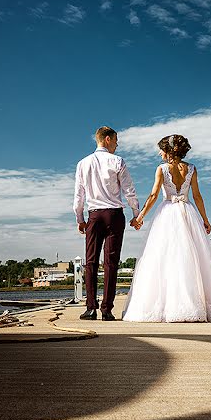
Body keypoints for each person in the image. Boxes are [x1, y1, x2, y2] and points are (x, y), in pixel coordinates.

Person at [122, 134, 211, 322]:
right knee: (193, 258)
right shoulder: (191, 169)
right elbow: (197, 196)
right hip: (188, 212)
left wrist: (140, 217)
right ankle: (196, 306)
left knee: (166, 258)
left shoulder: (162, 169)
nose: (159, 153)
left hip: (168, 212)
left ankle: (170, 306)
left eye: (161, 149)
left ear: (169, 151)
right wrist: (205, 220)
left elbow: (153, 195)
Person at [73, 126, 140, 321]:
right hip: (114, 215)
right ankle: (107, 310)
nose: (118, 144)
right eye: (116, 140)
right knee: (111, 263)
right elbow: (129, 190)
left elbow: (79, 195)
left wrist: (80, 218)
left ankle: (90, 308)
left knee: (91, 262)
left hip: (94, 215)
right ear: (108, 139)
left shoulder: (82, 163)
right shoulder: (118, 161)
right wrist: (136, 213)